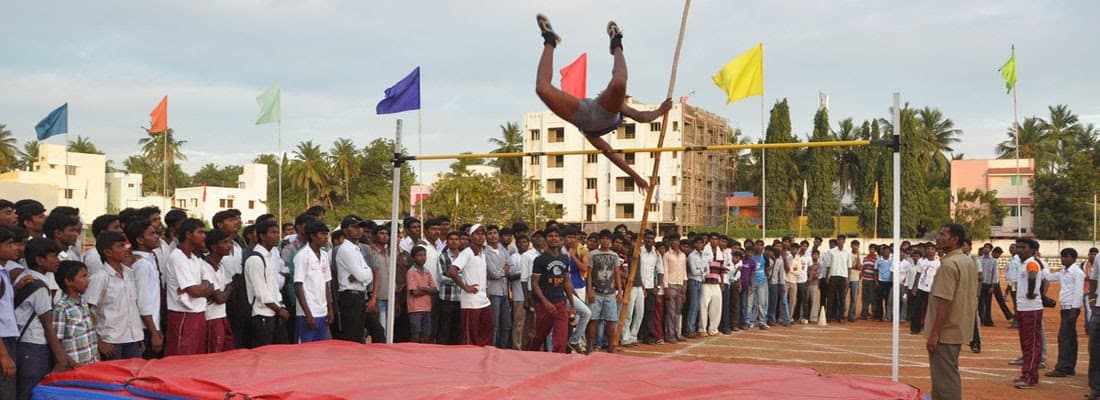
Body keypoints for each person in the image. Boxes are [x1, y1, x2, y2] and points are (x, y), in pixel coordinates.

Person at [533, 13, 672, 192]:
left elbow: (637, 122)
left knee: (618, 81)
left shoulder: (596, 131)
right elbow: (642, 118)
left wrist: (661, 110)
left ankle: (556, 39)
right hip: (586, 109)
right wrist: (660, 110)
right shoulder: (604, 119)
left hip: (583, 116)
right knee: (542, 88)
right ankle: (611, 40)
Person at [15, 238, 73, 399]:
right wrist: (61, 358)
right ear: (40, 260)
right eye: (53, 256)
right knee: (30, 391)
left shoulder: (25, 277)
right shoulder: (39, 286)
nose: (57, 261)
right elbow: (47, 325)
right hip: (33, 346)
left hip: (24, 345)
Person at [924, 224, 977, 400]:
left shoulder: (948, 265)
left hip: (946, 332)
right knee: (949, 374)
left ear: (954, 240)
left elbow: (945, 302)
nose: (938, 237)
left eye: (942, 234)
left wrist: (935, 334)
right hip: (959, 326)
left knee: (944, 380)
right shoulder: (967, 261)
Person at [84, 231, 144, 360]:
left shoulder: (129, 274)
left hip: (132, 339)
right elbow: (88, 312)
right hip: (111, 340)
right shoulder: (100, 278)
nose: (126, 250)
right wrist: (98, 341)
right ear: (108, 252)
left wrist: (138, 337)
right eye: (120, 246)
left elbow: (132, 306)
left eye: (125, 246)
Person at [526, 228, 575, 353]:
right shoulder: (540, 260)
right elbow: (535, 283)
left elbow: (567, 281)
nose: (553, 238)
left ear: (560, 239)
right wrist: (545, 302)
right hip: (544, 305)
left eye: (556, 235)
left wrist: (572, 304)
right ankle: (528, 354)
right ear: (545, 239)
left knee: (561, 339)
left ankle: (557, 365)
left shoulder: (565, 258)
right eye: (550, 236)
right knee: (539, 336)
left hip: (560, 303)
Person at [244, 221, 290, 348]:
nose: (276, 236)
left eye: (277, 233)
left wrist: (280, 306)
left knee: (280, 353)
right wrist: (279, 310)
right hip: (262, 314)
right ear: (262, 236)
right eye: (273, 233)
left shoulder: (270, 257)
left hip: (275, 313)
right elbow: (261, 293)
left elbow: (273, 286)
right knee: (263, 354)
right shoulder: (255, 259)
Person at [448, 224, 493, 346]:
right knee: (470, 335)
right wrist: (465, 287)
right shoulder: (467, 252)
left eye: (482, 234)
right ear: (471, 237)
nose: (480, 236)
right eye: (477, 234)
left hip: (483, 298)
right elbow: (452, 270)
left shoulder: (482, 253)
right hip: (471, 301)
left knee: (487, 329)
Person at [125, 220, 163, 359]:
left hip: (152, 324)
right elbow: (143, 302)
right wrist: (154, 331)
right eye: (151, 234)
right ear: (140, 239)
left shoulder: (150, 259)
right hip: (145, 327)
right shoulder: (141, 264)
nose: (157, 236)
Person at [333, 217, 373, 344]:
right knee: (351, 338)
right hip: (350, 296)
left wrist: (363, 278)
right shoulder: (345, 249)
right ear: (345, 231)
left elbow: (369, 273)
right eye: (354, 227)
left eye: (359, 227)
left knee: (358, 335)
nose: (358, 230)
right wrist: (363, 277)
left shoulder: (356, 248)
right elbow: (363, 275)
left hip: (359, 294)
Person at [1012, 237, 1046, 390]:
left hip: (1031, 308)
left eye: (1023, 247)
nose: (1020, 250)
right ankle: (1027, 373)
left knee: (1031, 343)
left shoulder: (1031, 263)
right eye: (1018, 247)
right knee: (1026, 343)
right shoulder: (1023, 263)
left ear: (1032, 250)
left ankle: (1030, 376)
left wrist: (1032, 292)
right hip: (1023, 307)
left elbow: (1032, 276)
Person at [1045, 248, 1084, 378]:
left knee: (1064, 337)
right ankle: (1069, 366)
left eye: (1065, 257)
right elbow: (1049, 277)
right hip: (1065, 307)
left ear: (1073, 258)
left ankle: (1062, 367)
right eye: (1062, 257)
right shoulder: (1064, 272)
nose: (1062, 259)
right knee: (1070, 338)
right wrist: (1040, 263)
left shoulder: (1077, 273)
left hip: (1071, 308)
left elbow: (1079, 291)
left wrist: (1075, 309)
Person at [293, 221, 333, 343]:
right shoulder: (302, 256)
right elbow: (298, 285)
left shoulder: (325, 255)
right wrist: (308, 314)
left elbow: (326, 283)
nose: (325, 237)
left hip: (322, 310)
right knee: (305, 351)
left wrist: (330, 309)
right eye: (322, 234)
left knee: (321, 350)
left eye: (327, 234)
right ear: (312, 236)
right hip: (307, 313)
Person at [53, 260, 97, 369]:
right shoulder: (62, 308)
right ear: (68, 281)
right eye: (83, 276)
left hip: (91, 364)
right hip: (74, 368)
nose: (88, 280)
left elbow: (91, 337)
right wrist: (73, 364)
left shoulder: (84, 304)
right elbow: (56, 344)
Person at [201, 230, 235, 353]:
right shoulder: (205, 267)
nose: (229, 246)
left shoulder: (220, 266)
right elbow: (220, 298)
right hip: (211, 317)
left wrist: (226, 290)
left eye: (230, 242)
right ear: (214, 246)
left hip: (221, 315)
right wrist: (230, 287)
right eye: (224, 242)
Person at [435, 231, 464, 345]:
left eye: (456, 239)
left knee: (457, 330)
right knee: (444, 329)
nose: (454, 241)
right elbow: (441, 277)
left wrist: (452, 275)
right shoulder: (443, 256)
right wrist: (459, 279)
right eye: (451, 239)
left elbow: (468, 276)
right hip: (446, 298)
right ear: (447, 241)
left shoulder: (464, 256)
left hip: (461, 298)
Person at [406, 246, 437, 343]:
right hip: (415, 309)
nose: (423, 258)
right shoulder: (411, 272)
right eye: (419, 255)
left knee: (426, 334)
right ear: (413, 257)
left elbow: (435, 290)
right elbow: (414, 292)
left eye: (424, 255)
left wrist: (423, 288)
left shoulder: (427, 271)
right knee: (416, 334)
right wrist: (428, 290)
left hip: (427, 307)